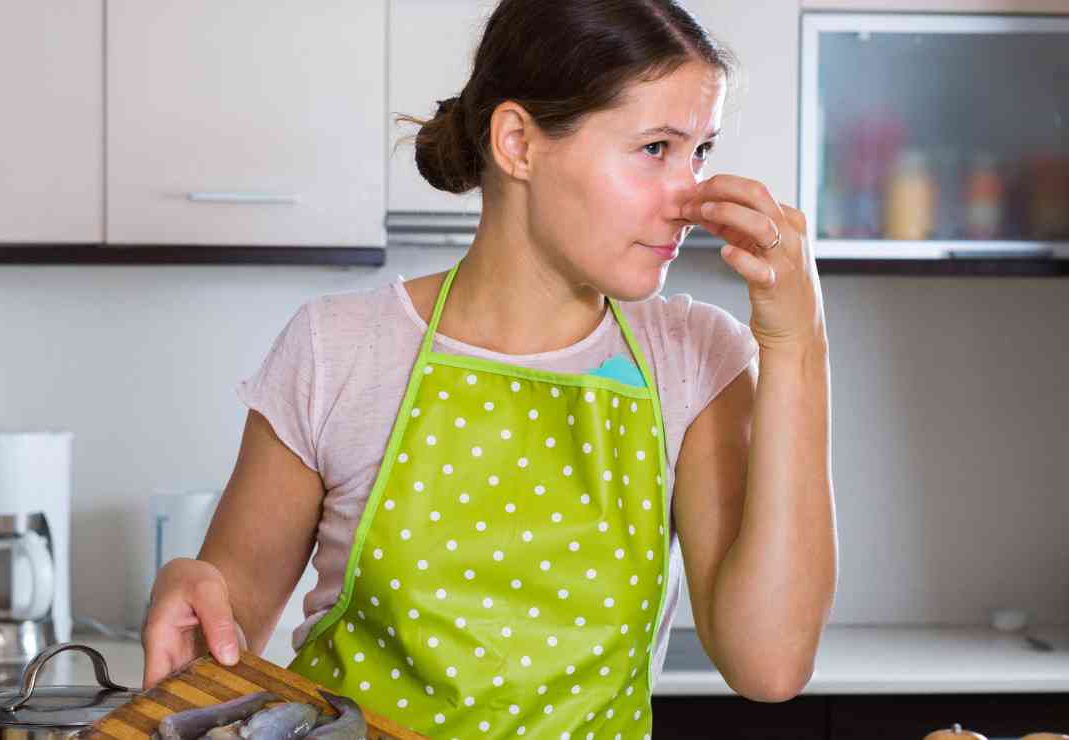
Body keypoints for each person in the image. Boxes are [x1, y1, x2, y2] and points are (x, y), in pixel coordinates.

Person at [143, 0, 837, 736]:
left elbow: (770, 664)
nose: (689, 197)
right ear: (518, 144)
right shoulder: (338, 349)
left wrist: (798, 345)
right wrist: (195, 599)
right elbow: (223, 645)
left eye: (700, 151)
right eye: (656, 149)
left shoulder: (694, 360)